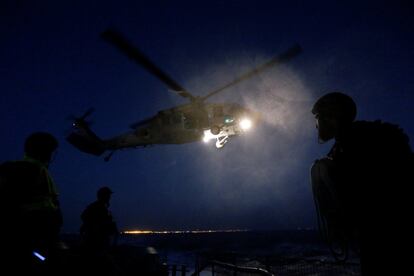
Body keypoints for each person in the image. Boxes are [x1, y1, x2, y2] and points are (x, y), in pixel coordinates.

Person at [310, 92, 413, 275]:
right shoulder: (352, 142)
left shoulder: (356, 143)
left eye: (320, 118)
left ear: (333, 117)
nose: (317, 125)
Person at [0, 132, 63, 273]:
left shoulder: (15, 170)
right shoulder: (35, 171)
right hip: (31, 248)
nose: (53, 156)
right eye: (52, 152)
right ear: (47, 152)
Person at [80, 186, 118, 252]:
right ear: (103, 196)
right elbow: (84, 217)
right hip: (95, 240)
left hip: (101, 239)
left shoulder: (104, 207)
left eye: (109, 195)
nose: (109, 197)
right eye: (108, 195)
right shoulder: (96, 206)